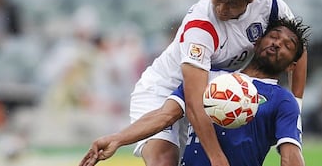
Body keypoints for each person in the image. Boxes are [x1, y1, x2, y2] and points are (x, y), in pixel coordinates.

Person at [128, 0, 308, 166]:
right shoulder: (201, 27)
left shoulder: (269, 4)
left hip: (216, 87)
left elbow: (298, 45)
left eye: (231, 3)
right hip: (168, 88)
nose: (221, 8)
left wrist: (295, 107)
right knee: (165, 159)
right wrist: (216, 158)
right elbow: (194, 101)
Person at [79, 18, 309, 166]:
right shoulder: (209, 77)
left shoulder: (282, 101)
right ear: (257, 42)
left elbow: (290, 156)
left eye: (288, 45)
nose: (278, 43)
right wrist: (117, 138)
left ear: (291, 66)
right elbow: (164, 115)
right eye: (274, 36)